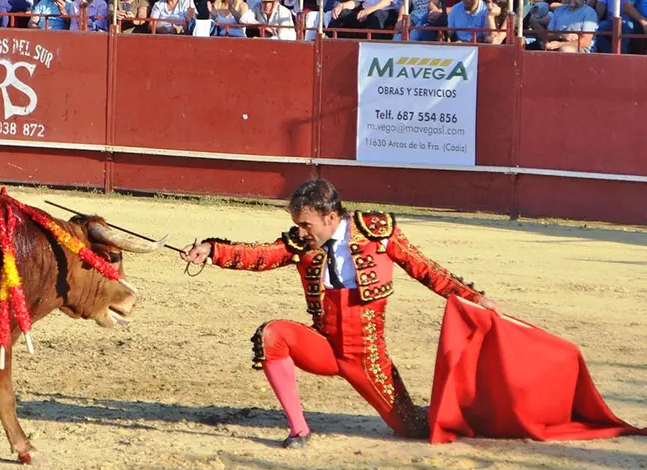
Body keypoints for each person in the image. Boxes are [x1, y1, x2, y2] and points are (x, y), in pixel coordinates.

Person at [179, 179, 501, 448]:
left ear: (331, 217)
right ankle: (299, 430)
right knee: (272, 336)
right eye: (297, 225)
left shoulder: (378, 233)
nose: (301, 232)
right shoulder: (302, 244)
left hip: (367, 358)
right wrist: (212, 251)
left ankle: (461, 412)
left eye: (306, 224)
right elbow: (261, 254)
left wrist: (473, 297)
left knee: (414, 428)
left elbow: (425, 269)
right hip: (324, 346)